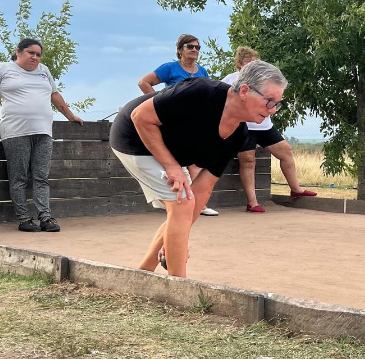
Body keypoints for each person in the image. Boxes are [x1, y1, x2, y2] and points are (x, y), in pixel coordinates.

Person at [110, 60, 288, 277]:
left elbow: (203, 188)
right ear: (244, 91)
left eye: (277, 104)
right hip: (133, 135)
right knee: (182, 202)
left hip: (166, 148)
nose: (273, 111)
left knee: (184, 205)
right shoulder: (201, 92)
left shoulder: (238, 135)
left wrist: (179, 235)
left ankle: (143, 273)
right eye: (270, 101)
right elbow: (140, 117)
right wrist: (171, 167)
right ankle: (180, 287)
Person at [0, 38, 84, 232]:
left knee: (41, 176)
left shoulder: (44, 71)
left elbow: (55, 96)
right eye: (30, 53)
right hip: (16, 132)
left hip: (43, 132)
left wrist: (71, 116)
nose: (35, 57)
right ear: (18, 52)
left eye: (38, 54)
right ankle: (24, 219)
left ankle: (45, 217)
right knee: (19, 177)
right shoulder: (1, 69)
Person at [221, 47, 316, 213]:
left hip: (264, 126)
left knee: (285, 150)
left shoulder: (264, 80)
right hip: (244, 126)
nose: (252, 65)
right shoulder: (231, 80)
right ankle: (252, 202)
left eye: (255, 62)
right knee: (248, 160)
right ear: (239, 64)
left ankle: (296, 189)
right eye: (248, 62)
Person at [137, 34, 218, 217]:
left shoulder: (202, 71)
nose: (195, 50)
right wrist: (158, 102)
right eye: (190, 47)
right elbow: (144, 82)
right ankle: (174, 203)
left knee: (196, 164)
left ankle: (199, 204)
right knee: (173, 162)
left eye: (197, 47)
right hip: (172, 122)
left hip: (194, 124)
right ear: (180, 49)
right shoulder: (170, 68)